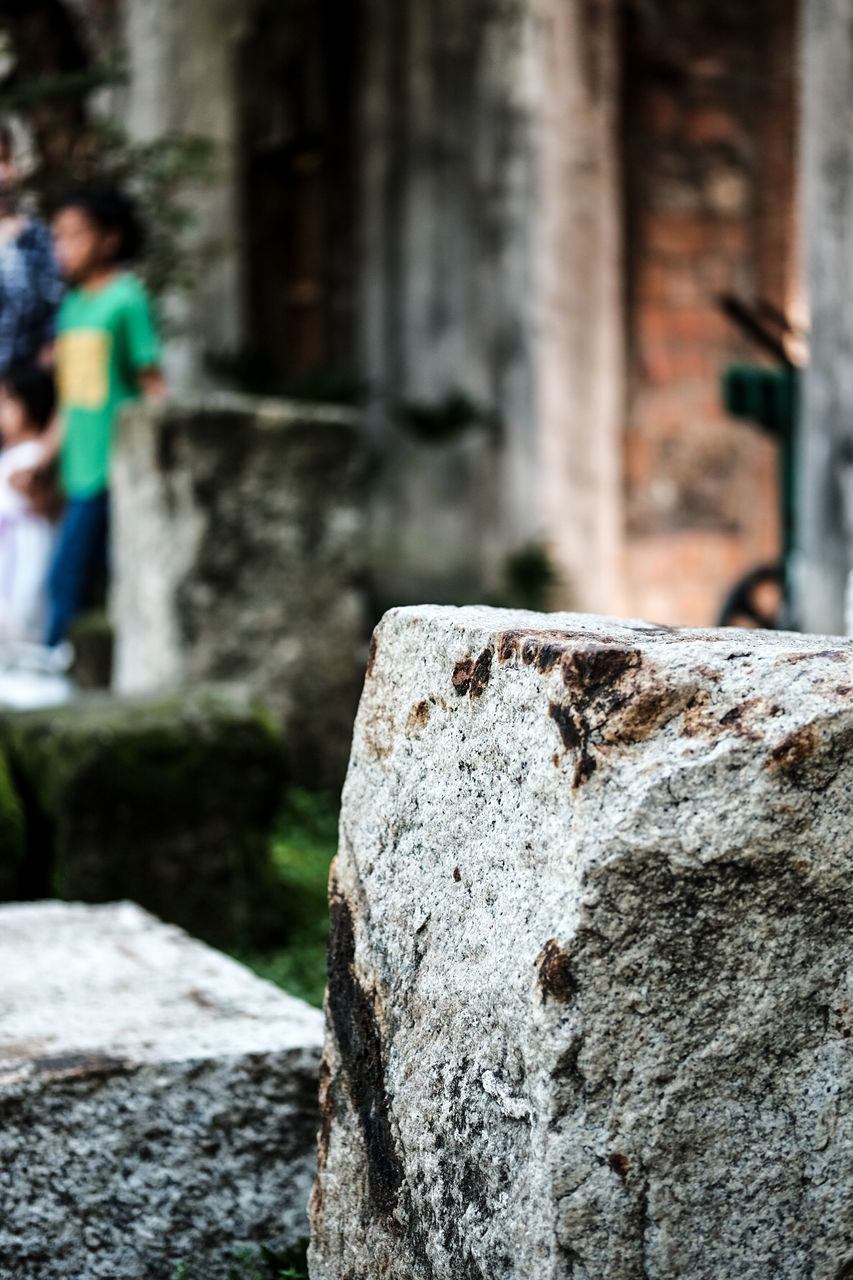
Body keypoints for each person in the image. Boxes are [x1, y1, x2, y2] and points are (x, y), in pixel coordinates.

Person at [23, 186, 165, 647]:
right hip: (77, 468)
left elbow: (151, 382)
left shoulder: (126, 298)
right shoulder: (73, 307)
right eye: (58, 237)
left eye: (76, 235)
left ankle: (53, 654)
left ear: (109, 238)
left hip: (113, 467)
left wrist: (161, 457)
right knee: (96, 576)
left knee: (68, 573)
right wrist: (42, 457)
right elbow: (72, 398)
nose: (64, 247)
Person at [0, 364, 58, 643]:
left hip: (26, 564)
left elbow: (43, 513)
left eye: (8, 402)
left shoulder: (35, 459)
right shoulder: (8, 459)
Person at [0, 121, 63, 374]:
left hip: (23, 396)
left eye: (5, 159)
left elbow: (55, 318)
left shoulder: (38, 236)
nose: (2, 174)